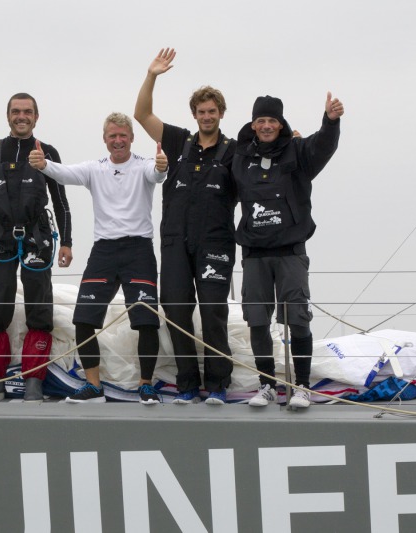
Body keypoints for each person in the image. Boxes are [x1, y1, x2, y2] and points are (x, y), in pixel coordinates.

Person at [28, 112, 168, 404]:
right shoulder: (95, 169)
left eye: (123, 135)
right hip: (104, 251)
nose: (118, 141)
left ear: (131, 138)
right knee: (83, 318)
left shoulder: (144, 165)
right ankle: (93, 386)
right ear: (105, 139)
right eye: (112, 136)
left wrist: (161, 167)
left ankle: (146, 385)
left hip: (139, 250)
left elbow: (156, 175)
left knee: (146, 320)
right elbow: (65, 173)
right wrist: (44, 165)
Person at [134, 48, 236, 405]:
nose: (206, 116)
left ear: (221, 114)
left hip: (216, 244)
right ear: (194, 114)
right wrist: (152, 75)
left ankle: (218, 383)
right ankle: (188, 383)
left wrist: (290, 141)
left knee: (213, 312)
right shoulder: (178, 141)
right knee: (176, 310)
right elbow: (141, 114)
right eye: (201, 111)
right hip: (176, 242)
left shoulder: (234, 151)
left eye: (212, 111)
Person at [233, 92, 344, 408]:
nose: (267, 125)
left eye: (272, 120)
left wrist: (330, 121)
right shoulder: (240, 157)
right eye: (261, 120)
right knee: (256, 320)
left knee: (297, 318)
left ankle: (302, 386)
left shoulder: (298, 151)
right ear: (253, 125)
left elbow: (324, 145)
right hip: (254, 253)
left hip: (290, 252)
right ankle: (267, 385)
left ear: (281, 124)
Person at [0, 93, 73, 402]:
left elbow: (61, 201)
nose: (21, 116)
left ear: (36, 117)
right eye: (16, 111)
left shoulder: (47, 151)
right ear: (8, 116)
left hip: (36, 238)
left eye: (27, 111)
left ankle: (34, 381)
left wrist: (67, 241)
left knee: (39, 308)